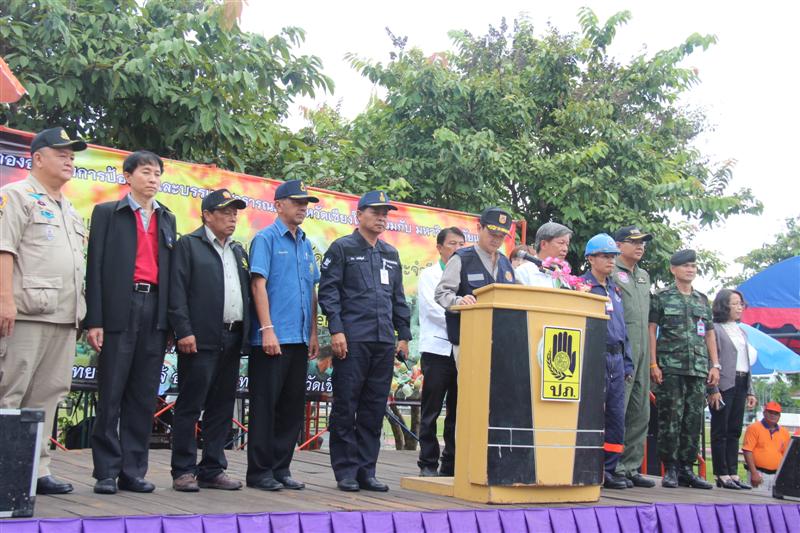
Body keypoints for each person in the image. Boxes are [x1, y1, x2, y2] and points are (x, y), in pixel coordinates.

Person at [0, 127, 87, 495]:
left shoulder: (71, 209)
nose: (69, 160)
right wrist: (4, 299)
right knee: (10, 392)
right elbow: (4, 249)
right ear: (37, 158)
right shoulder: (15, 196)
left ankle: (36, 470)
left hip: (64, 316)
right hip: (25, 313)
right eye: (61, 153)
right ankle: (4, 472)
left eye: (72, 155)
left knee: (49, 394)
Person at [86, 150, 177, 495]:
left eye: (157, 174)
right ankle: (106, 471)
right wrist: (95, 319)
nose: (152, 179)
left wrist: (169, 322)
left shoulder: (167, 218)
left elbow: (171, 273)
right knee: (111, 392)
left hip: (154, 309)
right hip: (118, 307)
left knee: (143, 394)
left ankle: (133, 470)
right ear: (127, 176)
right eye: (146, 172)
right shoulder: (108, 213)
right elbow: (95, 267)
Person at [318, 190, 412, 492]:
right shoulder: (342, 248)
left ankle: (366, 471)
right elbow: (329, 292)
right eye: (375, 212)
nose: (382, 218)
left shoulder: (390, 253)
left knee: (373, 408)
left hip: (383, 341)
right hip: (352, 340)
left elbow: (398, 298)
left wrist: (404, 335)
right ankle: (346, 471)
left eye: (385, 214)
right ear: (359, 215)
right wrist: (337, 331)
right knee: (346, 406)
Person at [168, 189, 250, 492]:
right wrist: (183, 330)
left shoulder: (238, 251)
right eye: (226, 212)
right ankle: (183, 470)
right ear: (207, 215)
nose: (232, 218)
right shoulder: (189, 245)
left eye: (235, 213)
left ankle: (213, 468)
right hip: (199, 338)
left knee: (222, 406)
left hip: (232, 336)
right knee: (190, 405)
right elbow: (177, 291)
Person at [246, 179, 320, 492]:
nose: (303, 207)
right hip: (272, 338)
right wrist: (267, 329)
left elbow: (312, 289)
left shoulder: (305, 243)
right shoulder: (265, 238)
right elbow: (257, 285)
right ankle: (259, 472)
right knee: (265, 407)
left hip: (300, 338)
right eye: (297, 201)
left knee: (291, 408)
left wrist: (313, 332)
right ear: (278, 205)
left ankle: (281, 468)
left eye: (306, 203)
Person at [649, 249, 720, 490]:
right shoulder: (661, 297)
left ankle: (687, 468)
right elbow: (651, 330)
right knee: (670, 419)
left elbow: (709, 334)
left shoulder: (702, 299)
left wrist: (715, 365)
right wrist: (653, 363)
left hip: (697, 368)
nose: (690, 270)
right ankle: (670, 468)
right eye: (685, 266)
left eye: (693, 266)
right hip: (670, 367)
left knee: (693, 420)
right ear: (673, 269)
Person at [580, 234, 633, 490]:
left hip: (616, 358)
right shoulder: (581, 287)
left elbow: (623, 329)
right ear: (591, 259)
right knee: (590, 414)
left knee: (615, 416)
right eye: (605, 256)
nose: (611, 260)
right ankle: (588, 467)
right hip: (594, 356)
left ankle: (609, 469)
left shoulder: (615, 289)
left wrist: (628, 362)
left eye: (613, 256)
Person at [417, 227, 466, 477]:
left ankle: (451, 463)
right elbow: (434, 309)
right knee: (431, 409)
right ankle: (427, 462)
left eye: (461, 244)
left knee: (457, 410)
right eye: (452, 244)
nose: (457, 249)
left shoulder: (465, 273)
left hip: (463, 349)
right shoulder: (429, 275)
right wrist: (466, 315)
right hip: (437, 350)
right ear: (439, 248)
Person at [435, 207, 516, 355]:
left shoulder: (506, 263)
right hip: (468, 340)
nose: (496, 240)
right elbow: (441, 293)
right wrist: (459, 302)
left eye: (501, 236)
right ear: (479, 228)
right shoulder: (461, 258)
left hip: (500, 341)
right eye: (492, 234)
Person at [611, 226, 656, 488]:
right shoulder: (611, 271)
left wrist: (652, 360)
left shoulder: (644, 276)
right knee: (619, 408)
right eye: (634, 242)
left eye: (643, 243)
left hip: (642, 351)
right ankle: (612, 466)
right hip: (621, 349)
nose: (640, 247)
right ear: (619, 245)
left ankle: (630, 466)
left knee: (640, 411)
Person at [708, 288, 757, 490]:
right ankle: (721, 473)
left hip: (742, 381)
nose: (739, 307)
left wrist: (751, 390)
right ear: (723, 306)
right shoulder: (715, 329)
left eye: (741, 304)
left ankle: (733, 473)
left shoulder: (742, 331)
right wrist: (713, 389)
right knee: (721, 429)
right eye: (735, 303)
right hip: (724, 383)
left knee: (735, 430)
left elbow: (746, 362)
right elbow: (711, 360)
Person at [743, 401, 791, 494]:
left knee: (774, 501)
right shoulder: (754, 428)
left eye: (776, 413)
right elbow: (747, 451)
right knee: (756, 500)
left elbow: (786, 456)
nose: (773, 415)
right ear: (764, 413)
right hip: (758, 473)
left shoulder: (784, 432)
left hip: (776, 476)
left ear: (779, 416)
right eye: (770, 412)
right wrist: (754, 473)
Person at [515, 222, 572, 287]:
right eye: (561, 243)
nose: (565, 249)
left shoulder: (563, 277)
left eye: (567, 245)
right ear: (543, 244)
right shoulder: (523, 273)